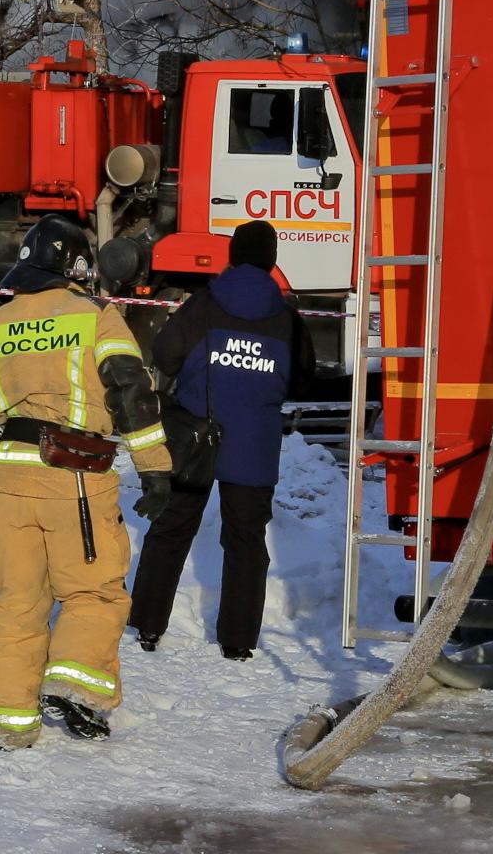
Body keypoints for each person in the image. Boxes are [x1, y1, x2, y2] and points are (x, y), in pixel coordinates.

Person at [0, 217, 174, 749]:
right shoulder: (97, 317)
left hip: (7, 479)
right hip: (75, 476)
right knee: (94, 593)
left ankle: (8, 723)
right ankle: (72, 684)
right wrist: (155, 469)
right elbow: (132, 393)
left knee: (19, 602)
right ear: (80, 268)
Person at [127, 219, 311, 661]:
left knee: (171, 529)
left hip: (195, 439)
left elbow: (165, 353)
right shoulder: (287, 317)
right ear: (271, 261)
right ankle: (237, 641)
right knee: (246, 542)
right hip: (254, 444)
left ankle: (147, 626)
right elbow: (305, 379)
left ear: (233, 257)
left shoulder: (204, 304)